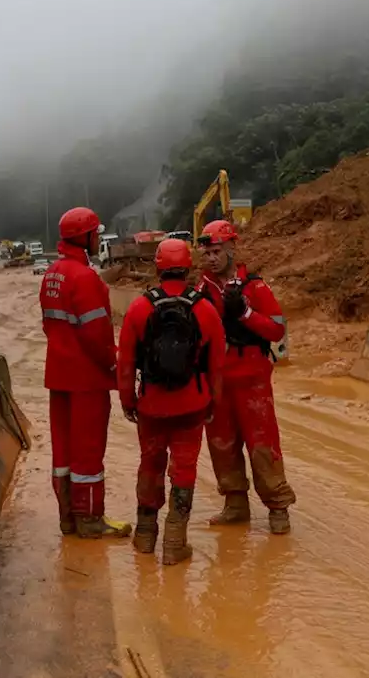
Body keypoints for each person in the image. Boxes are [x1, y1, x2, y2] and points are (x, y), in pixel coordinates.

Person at [118, 239, 225, 564]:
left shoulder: (139, 308)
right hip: (191, 406)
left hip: (151, 405)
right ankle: (175, 542)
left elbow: (125, 362)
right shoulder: (204, 309)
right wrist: (212, 404)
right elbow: (217, 364)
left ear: (158, 267)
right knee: (184, 468)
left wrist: (128, 401)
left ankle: (145, 536)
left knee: (150, 463)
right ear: (189, 266)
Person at [196, 219, 296, 534]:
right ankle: (235, 504)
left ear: (231, 249)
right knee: (221, 443)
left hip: (252, 377)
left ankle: (278, 506)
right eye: (207, 253)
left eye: (216, 251)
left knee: (262, 443)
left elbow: (277, 328)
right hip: (218, 379)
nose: (211, 258)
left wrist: (244, 313)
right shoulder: (202, 289)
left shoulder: (255, 286)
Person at [39, 206, 131, 539]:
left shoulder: (52, 274)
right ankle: (91, 519)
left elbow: (50, 326)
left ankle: (68, 519)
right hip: (87, 379)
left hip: (58, 375)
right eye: (96, 233)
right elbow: (97, 335)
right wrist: (114, 365)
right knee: (88, 450)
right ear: (88, 237)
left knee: (63, 450)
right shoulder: (85, 278)